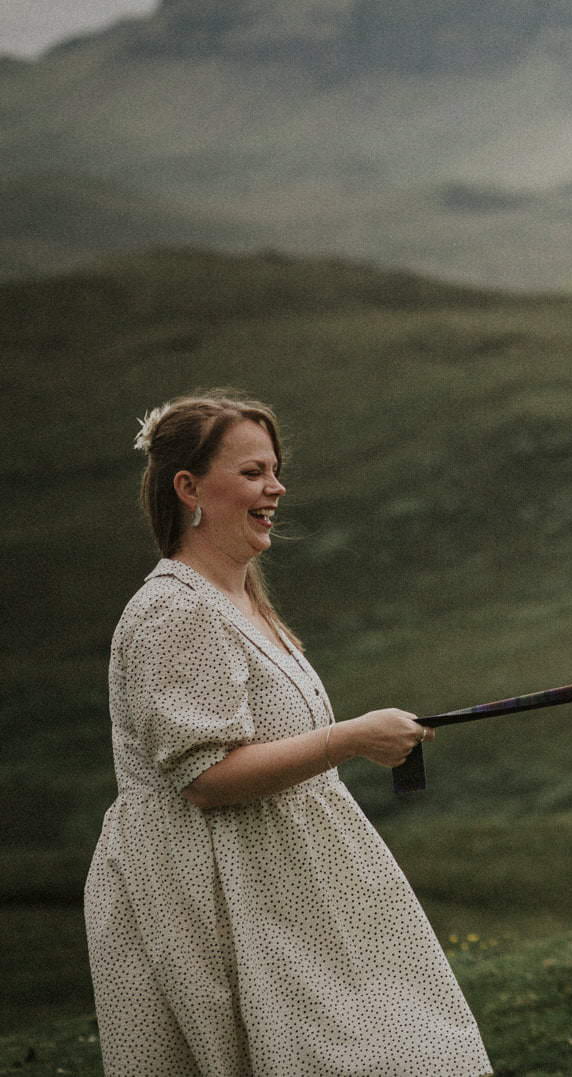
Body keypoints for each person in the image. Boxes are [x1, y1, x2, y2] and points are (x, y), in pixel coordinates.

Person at [84, 390, 491, 1076]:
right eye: (252, 472)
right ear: (189, 488)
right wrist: (351, 738)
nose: (275, 487)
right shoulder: (174, 612)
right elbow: (206, 779)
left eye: (274, 470)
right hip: (216, 898)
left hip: (292, 889)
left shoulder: (242, 601)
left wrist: (356, 737)